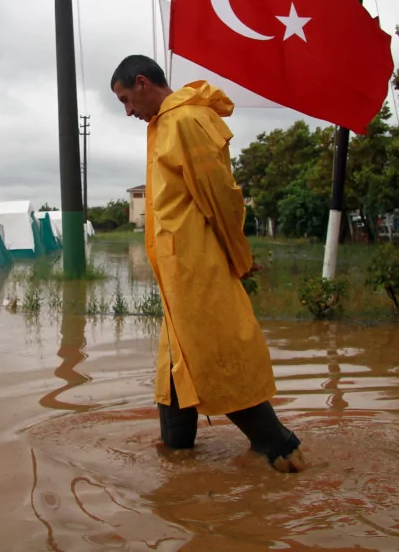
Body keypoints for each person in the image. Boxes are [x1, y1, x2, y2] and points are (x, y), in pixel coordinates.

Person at [109, 54, 305, 473]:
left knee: (212, 353)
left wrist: (239, 257)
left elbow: (220, 197)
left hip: (197, 266)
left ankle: (277, 445)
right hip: (177, 272)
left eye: (125, 99)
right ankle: (176, 455)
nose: (127, 111)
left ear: (142, 82)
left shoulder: (186, 120)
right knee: (176, 363)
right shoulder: (166, 123)